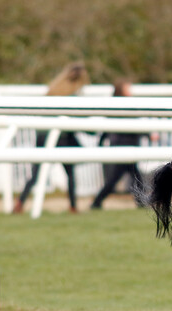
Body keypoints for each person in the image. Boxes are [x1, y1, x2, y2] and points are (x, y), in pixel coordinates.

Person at [13, 62, 90, 214]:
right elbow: (80, 118)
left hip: (42, 134)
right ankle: (73, 206)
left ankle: (19, 204)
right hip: (59, 136)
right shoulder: (72, 95)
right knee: (70, 173)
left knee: (36, 174)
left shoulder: (53, 89)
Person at [90, 79, 146, 209]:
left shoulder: (123, 104)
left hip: (127, 145)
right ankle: (97, 202)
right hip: (124, 145)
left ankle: (97, 202)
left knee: (129, 176)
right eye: (128, 88)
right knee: (128, 177)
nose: (130, 91)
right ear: (122, 90)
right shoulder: (120, 105)